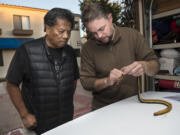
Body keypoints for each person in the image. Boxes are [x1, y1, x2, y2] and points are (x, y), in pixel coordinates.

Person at [6, 8, 79, 134]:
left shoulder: (71, 52)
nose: (66, 36)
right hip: (36, 124)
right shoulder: (26, 50)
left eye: (69, 31)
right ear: (47, 28)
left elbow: (73, 81)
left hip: (66, 121)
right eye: (61, 31)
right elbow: (11, 84)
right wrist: (24, 115)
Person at [80, 2, 159, 110]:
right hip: (102, 108)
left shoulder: (133, 35)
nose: (99, 36)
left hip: (132, 104)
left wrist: (144, 66)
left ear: (110, 18)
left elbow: (155, 66)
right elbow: (86, 83)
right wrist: (107, 81)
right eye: (93, 33)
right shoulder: (87, 48)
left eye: (101, 29)